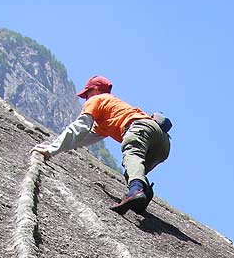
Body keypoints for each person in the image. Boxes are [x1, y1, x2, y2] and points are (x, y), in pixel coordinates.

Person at [32, 75, 171, 215]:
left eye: (87, 94)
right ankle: (143, 193)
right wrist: (62, 146)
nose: (86, 98)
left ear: (95, 90)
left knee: (132, 155)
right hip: (163, 144)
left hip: (141, 128)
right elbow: (83, 138)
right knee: (133, 169)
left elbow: (80, 128)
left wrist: (50, 150)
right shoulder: (111, 110)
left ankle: (136, 191)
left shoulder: (97, 99)